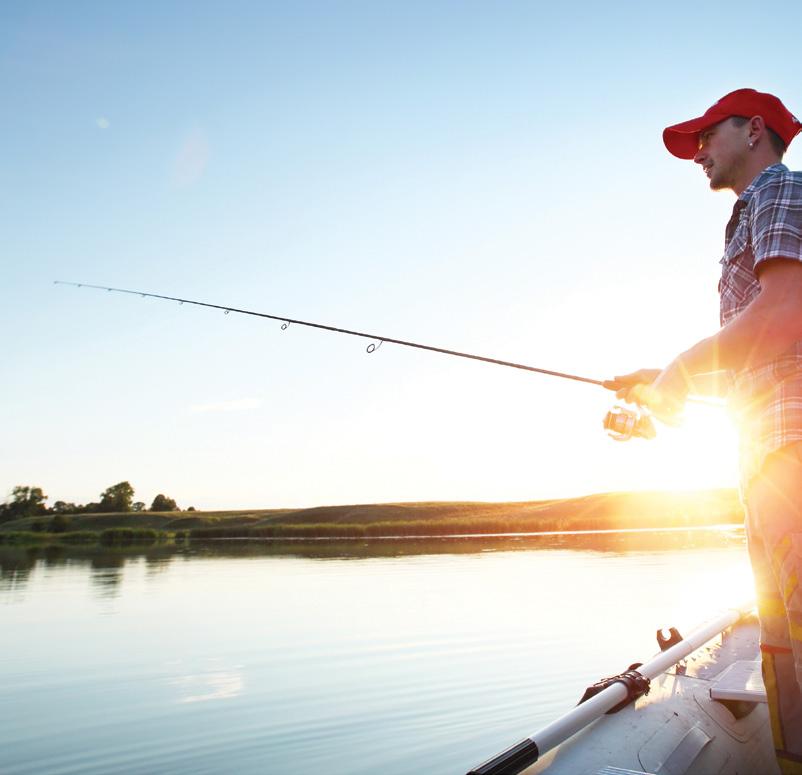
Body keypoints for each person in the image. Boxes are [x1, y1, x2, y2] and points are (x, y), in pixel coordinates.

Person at [604, 88, 802, 773]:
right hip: (766, 469)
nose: (697, 151)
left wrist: (683, 371)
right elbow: (756, 357)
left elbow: (783, 317)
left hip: (793, 461)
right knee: (785, 667)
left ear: (754, 131)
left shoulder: (779, 191)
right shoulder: (751, 218)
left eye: (705, 135)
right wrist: (660, 383)